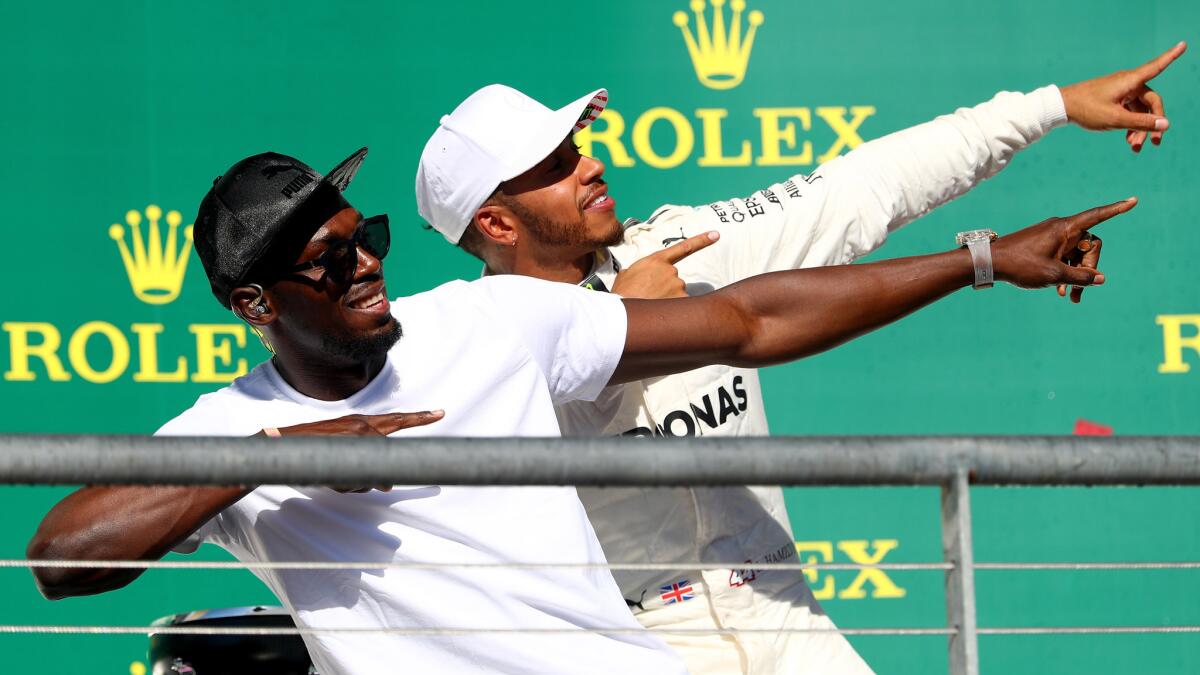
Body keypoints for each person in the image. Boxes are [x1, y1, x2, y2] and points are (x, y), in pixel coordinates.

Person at [30, 139, 1129, 675]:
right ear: (258, 304)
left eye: (369, 237)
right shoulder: (225, 430)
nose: (366, 263)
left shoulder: (488, 321)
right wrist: (284, 455)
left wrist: (982, 257)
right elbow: (59, 559)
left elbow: (749, 321)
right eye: (331, 258)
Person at [414, 42, 1184, 674]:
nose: (588, 165)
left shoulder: (688, 243)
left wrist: (1049, 106)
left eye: (576, 147)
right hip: (638, 644)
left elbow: (864, 188)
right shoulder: (474, 339)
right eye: (554, 167)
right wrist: (626, 317)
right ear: (495, 222)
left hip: (790, 615)